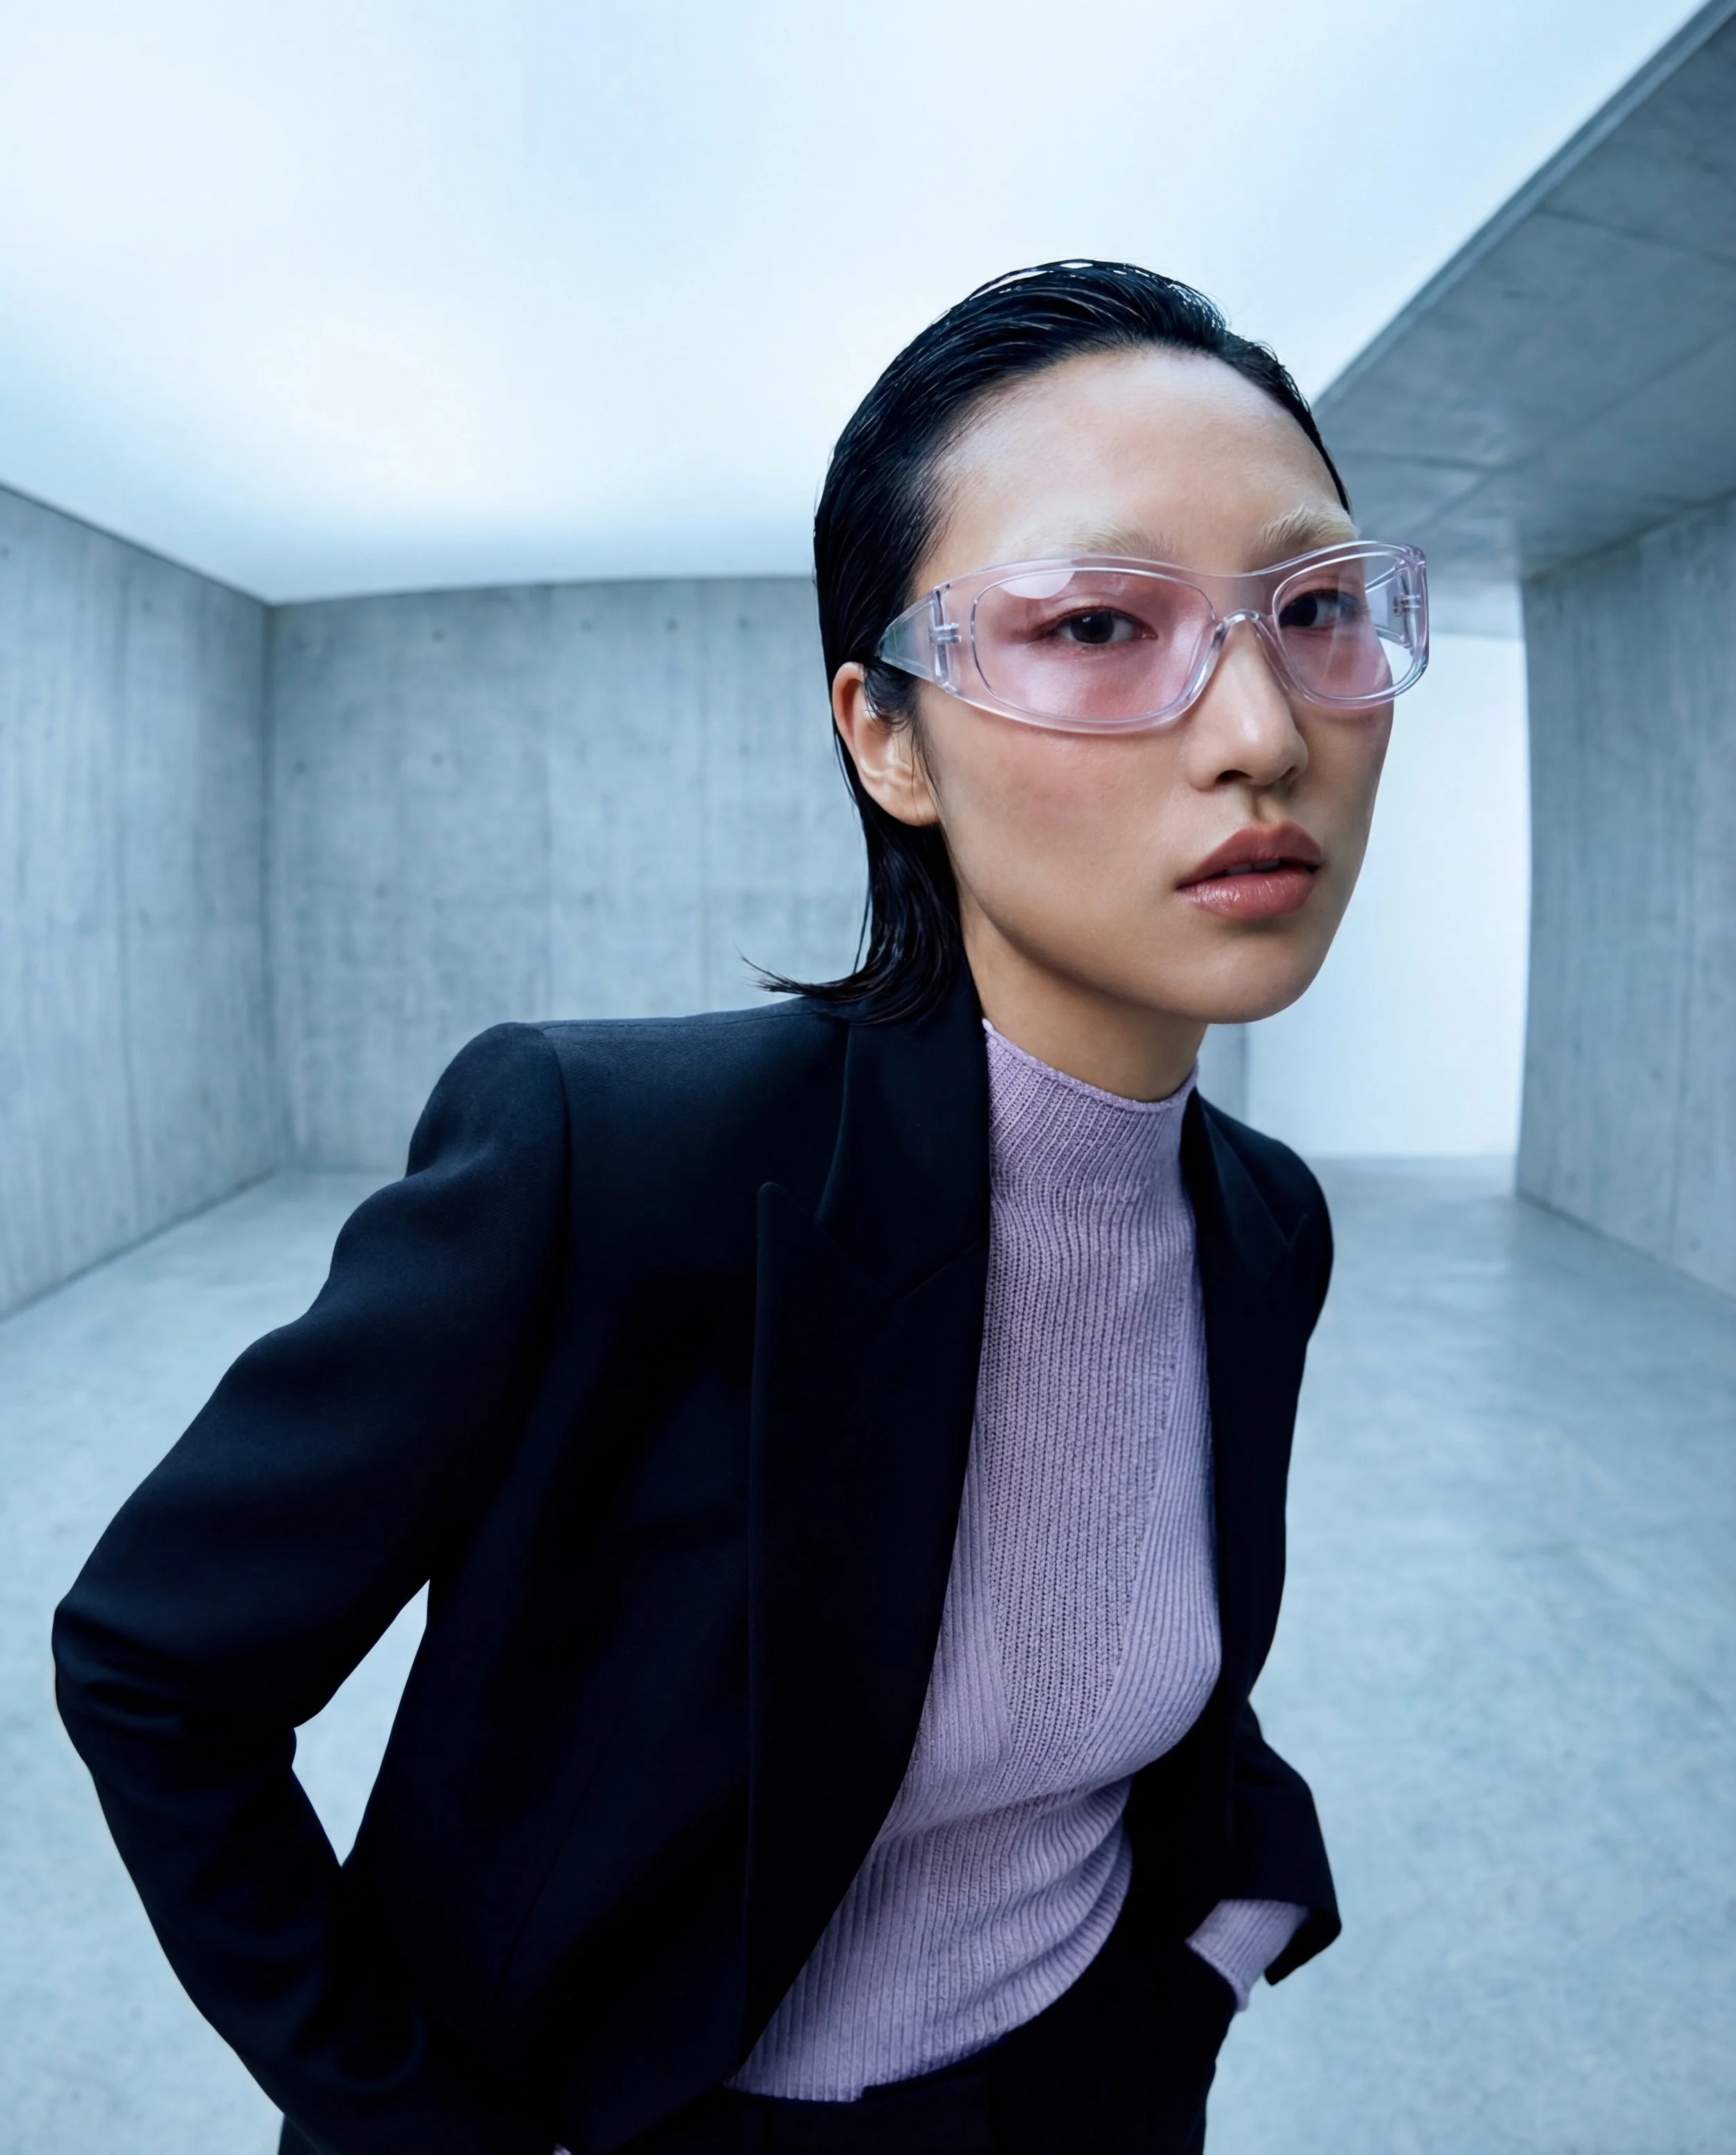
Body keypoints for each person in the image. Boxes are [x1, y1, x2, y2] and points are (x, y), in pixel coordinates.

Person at [53, 260, 1428, 2155]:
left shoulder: (1262, 1223)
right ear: (883, 734)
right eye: (1103, 619)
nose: (1261, 729)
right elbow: (155, 1664)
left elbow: (1152, 1680)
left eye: (1319, 607)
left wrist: (1209, 1954)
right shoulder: (610, 1166)